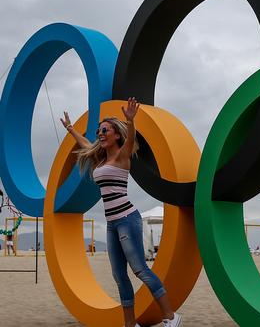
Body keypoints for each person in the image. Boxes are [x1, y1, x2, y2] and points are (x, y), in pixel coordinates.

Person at [61, 98, 182, 327]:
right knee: (119, 275)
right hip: (112, 223)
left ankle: (171, 317)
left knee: (140, 270)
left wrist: (130, 121)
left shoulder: (122, 157)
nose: (100, 133)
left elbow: (131, 140)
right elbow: (86, 144)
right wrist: (70, 129)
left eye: (105, 130)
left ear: (117, 135)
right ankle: (130, 324)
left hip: (127, 219)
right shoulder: (100, 161)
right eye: (99, 130)